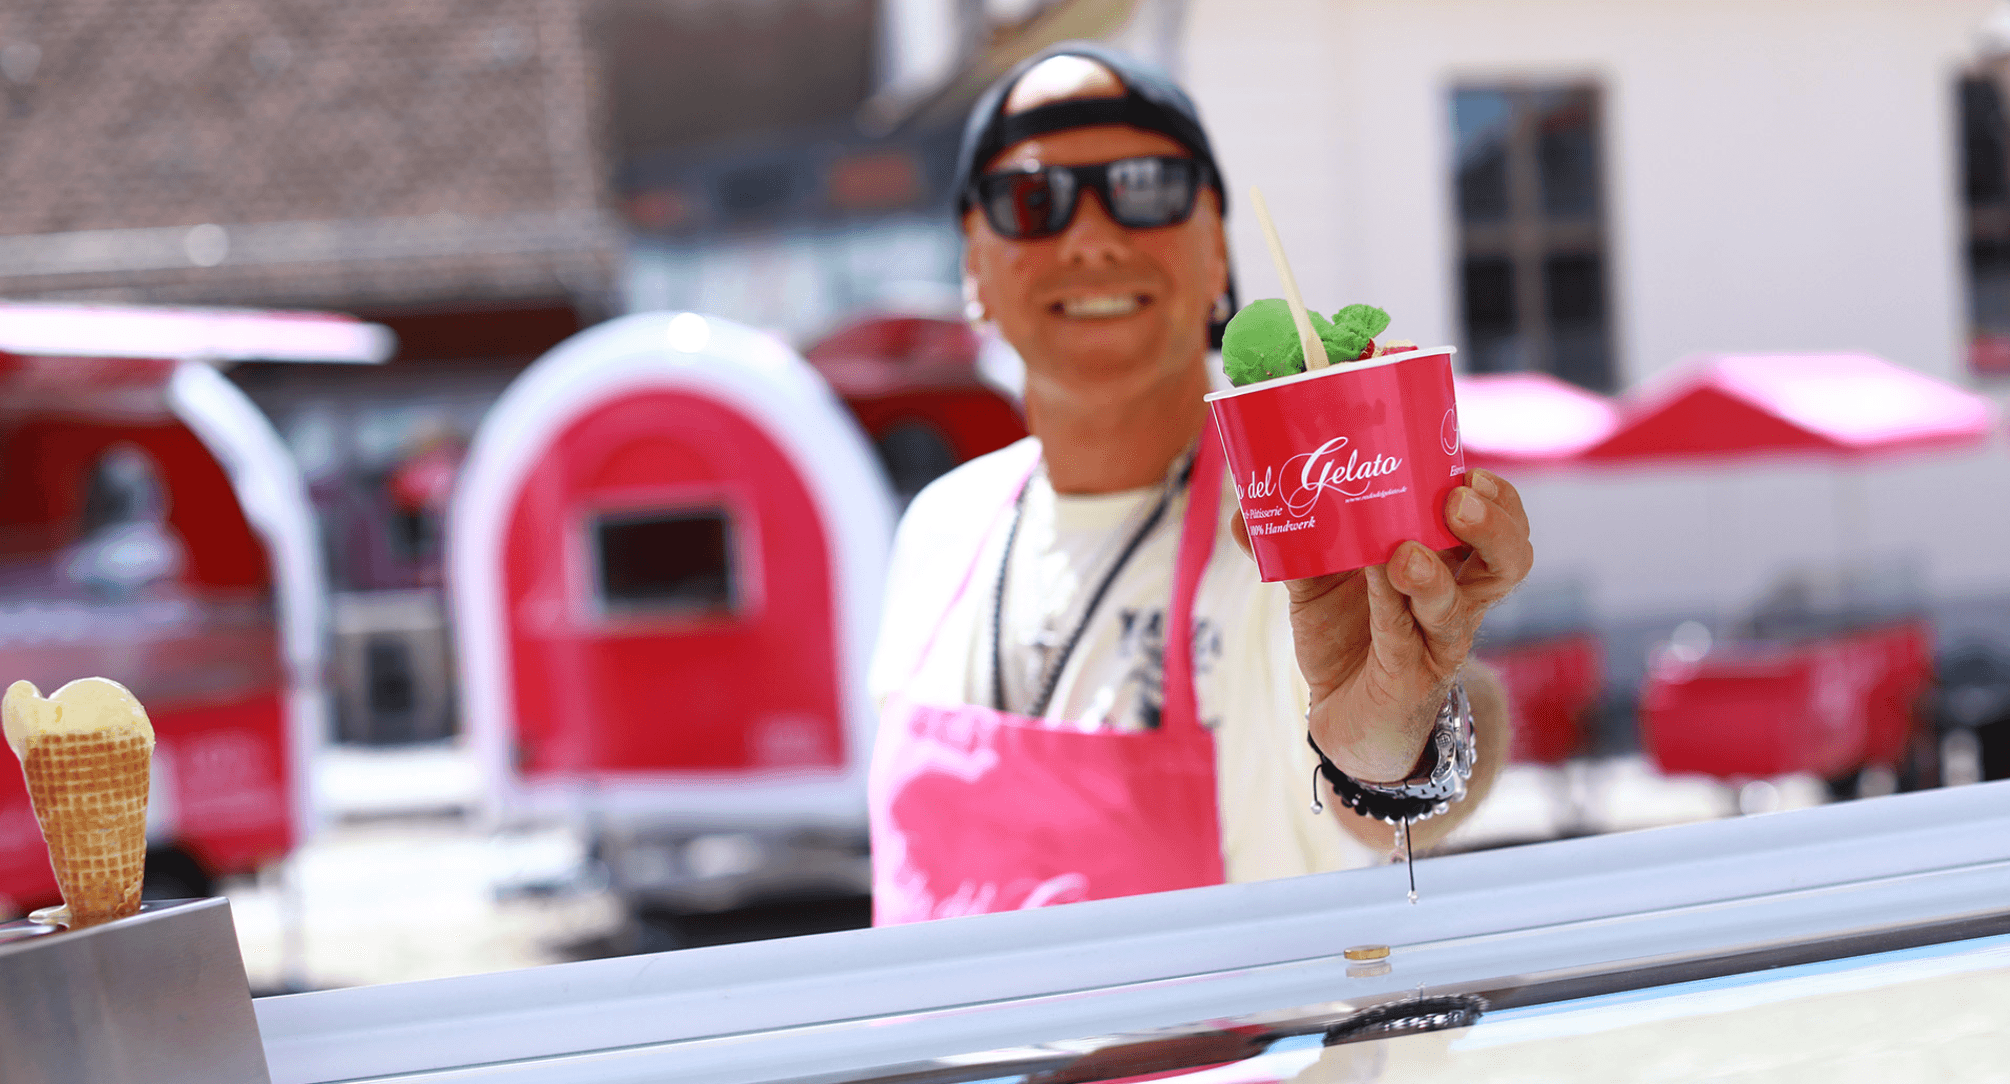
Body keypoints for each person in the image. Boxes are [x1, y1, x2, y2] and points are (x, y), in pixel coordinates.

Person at [866, 42, 1533, 925]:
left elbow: (1402, 733)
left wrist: (1402, 745)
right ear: (972, 266)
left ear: (1218, 252)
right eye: (1033, 201)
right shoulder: (938, 529)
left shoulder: (1289, 511)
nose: (1093, 238)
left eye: (1146, 189)